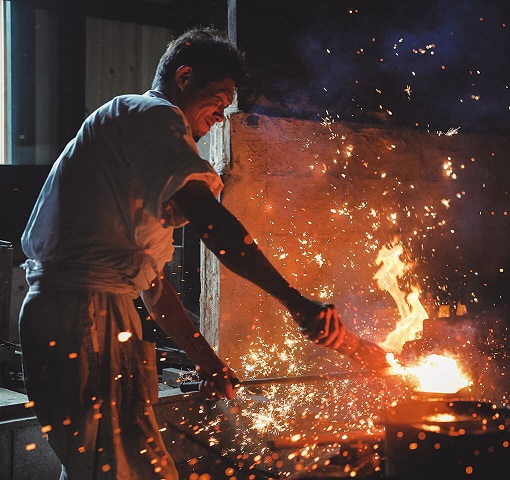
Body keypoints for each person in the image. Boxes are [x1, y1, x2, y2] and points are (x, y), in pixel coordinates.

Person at [19, 27, 345, 479]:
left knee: (110, 467)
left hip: (86, 312)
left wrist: (207, 360)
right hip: (83, 315)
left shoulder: (131, 153)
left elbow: (153, 286)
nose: (221, 113)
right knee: (121, 469)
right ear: (184, 77)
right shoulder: (151, 115)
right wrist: (295, 302)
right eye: (218, 97)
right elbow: (213, 224)